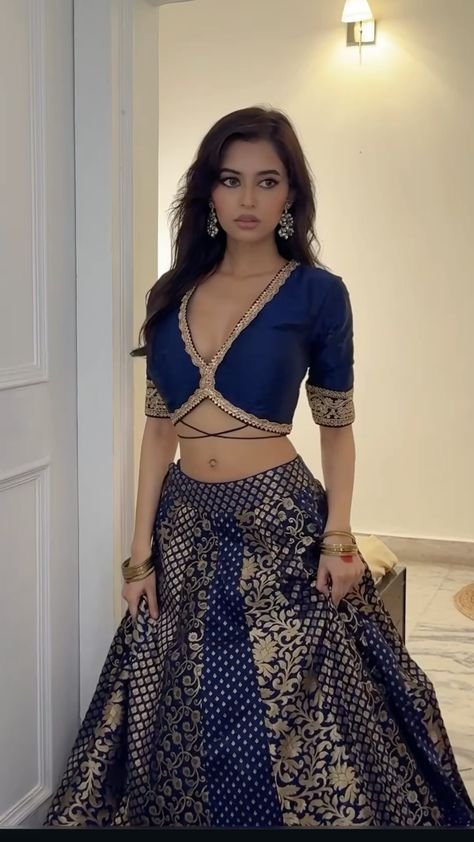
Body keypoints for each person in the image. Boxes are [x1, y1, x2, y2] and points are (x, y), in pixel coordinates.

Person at [44, 106, 473, 828]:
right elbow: (158, 433)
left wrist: (339, 538)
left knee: (292, 701)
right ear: (208, 193)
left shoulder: (317, 294)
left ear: (290, 195)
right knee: (179, 696)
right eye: (231, 179)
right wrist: (138, 555)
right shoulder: (171, 295)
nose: (247, 199)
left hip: (279, 517)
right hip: (184, 520)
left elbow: (337, 430)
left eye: (267, 181)